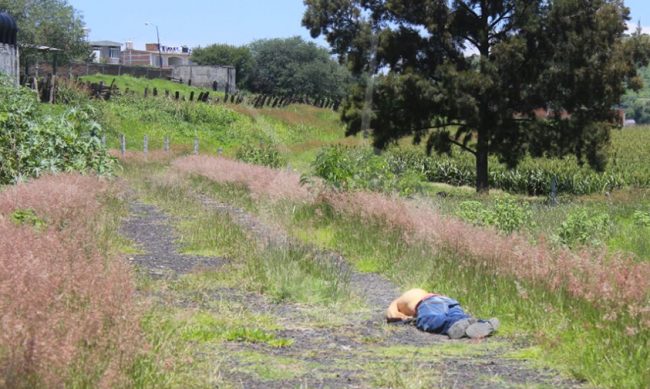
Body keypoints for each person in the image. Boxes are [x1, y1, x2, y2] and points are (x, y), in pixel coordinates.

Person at [386, 288, 499, 339]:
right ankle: (482, 323)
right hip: (447, 300)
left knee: (429, 319)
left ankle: (454, 325)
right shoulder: (419, 292)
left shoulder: (399, 300)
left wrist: (407, 317)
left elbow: (391, 314)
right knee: (457, 315)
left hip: (428, 303)